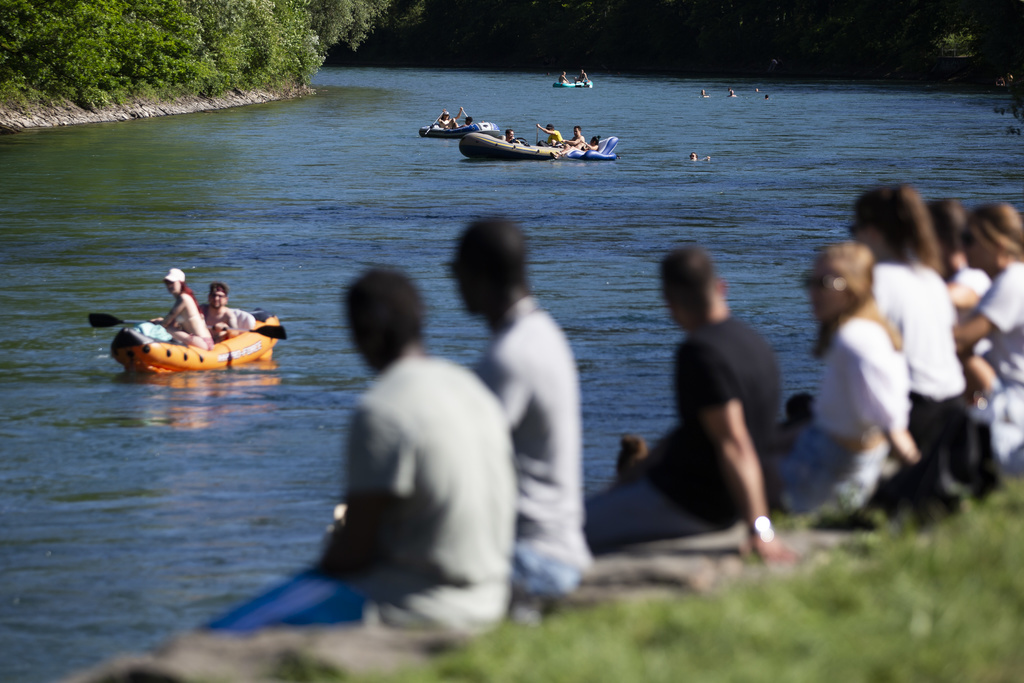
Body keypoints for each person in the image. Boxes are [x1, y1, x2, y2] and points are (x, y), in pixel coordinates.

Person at [209, 269, 516, 631]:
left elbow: (353, 554)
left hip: (425, 604)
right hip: (493, 593)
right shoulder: (471, 386)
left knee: (233, 627)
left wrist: (320, 564)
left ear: (359, 335)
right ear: (421, 319)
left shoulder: (382, 410)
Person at [584, 247, 796, 563]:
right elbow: (702, 430)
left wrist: (759, 529)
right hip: (713, 499)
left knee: (565, 531)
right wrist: (633, 475)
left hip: (691, 503)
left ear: (669, 303)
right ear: (721, 287)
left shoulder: (700, 353)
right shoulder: (755, 342)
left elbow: (734, 443)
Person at [451, 219, 591, 619]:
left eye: (456, 272)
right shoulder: (543, 332)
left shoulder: (510, 357)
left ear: (478, 276)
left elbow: (460, 465)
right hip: (559, 542)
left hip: (533, 558)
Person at [775, 243, 919, 513]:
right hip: (823, 455)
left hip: (824, 474)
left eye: (826, 283)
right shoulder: (873, 331)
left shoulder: (854, 340)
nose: (813, 292)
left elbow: (890, 421)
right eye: (811, 282)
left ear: (854, 288)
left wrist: (923, 480)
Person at [850, 185, 966, 459]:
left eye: (853, 230)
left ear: (872, 233)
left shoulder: (874, 283)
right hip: (952, 409)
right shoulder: (930, 278)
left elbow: (867, 368)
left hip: (911, 413)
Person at [955, 204, 1024, 474]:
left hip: (1012, 408)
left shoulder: (1013, 280)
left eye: (969, 239)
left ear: (997, 244)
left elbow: (959, 342)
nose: (964, 248)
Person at [156, 268, 214, 351]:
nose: (169, 285)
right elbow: (172, 322)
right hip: (203, 341)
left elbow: (166, 322)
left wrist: (157, 323)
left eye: (172, 282)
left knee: (167, 329)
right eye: (167, 283)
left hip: (202, 342)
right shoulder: (186, 297)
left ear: (181, 283)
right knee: (170, 327)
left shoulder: (183, 298)